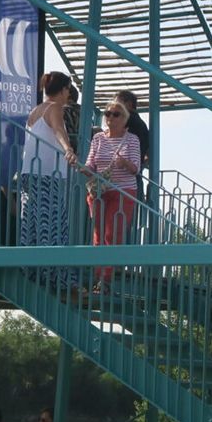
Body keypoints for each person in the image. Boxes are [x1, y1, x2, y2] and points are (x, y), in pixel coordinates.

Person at [18, 72, 79, 290]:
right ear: (63, 90)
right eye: (68, 89)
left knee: (33, 222)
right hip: (46, 174)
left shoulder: (35, 110)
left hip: (31, 171)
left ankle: (32, 270)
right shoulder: (54, 108)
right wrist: (68, 149)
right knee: (53, 222)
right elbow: (59, 130)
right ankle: (55, 274)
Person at [82, 101, 142, 291]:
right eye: (108, 113)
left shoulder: (132, 139)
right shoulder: (98, 138)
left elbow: (136, 168)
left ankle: (105, 279)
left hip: (123, 191)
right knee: (98, 234)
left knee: (111, 233)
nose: (110, 117)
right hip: (100, 191)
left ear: (125, 119)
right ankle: (98, 275)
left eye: (116, 114)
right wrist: (82, 167)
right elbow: (91, 163)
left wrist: (124, 163)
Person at [114, 89, 151, 232]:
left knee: (117, 221)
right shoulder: (141, 124)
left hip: (122, 176)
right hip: (135, 175)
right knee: (129, 221)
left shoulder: (127, 121)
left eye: (117, 103)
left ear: (128, 104)